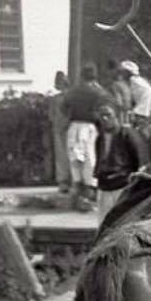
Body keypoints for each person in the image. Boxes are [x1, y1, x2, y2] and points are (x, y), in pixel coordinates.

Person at [63, 62, 113, 211]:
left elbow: (63, 106)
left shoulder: (73, 91)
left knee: (75, 158)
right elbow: (107, 104)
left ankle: (77, 187)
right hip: (90, 126)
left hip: (74, 124)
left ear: (81, 75)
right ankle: (90, 189)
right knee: (90, 158)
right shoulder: (98, 92)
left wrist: (70, 114)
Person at [94, 102, 147, 221]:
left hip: (122, 183)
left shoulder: (127, 134)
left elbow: (139, 159)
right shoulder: (100, 138)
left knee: (122, 219)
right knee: (104, 220)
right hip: (105, 184)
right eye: (101, 115)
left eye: (108, 115)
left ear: (116, 116)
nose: (104, 119)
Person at [48, 71, 71, 194]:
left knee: (64, 155)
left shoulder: (62, 98)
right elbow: (51, 115)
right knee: (63, 155)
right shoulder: (56, 99)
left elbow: (52, 115)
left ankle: (65, 181)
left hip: (64, 128)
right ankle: (65, 181)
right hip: (61, 128)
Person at [121, 61, 151, 126]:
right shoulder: (142, 81)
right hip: (145, 111)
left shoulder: (133, 80)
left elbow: (127, 97)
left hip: (139, 112)